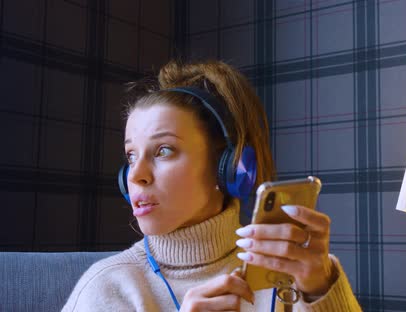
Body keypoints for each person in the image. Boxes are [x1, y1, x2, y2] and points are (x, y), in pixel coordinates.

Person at [62, 60, 361, 311]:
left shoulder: (298, 274)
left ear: (229, 168)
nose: (135, 174)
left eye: (163, 150)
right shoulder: (106, 289)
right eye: (131, 155)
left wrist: (321, 290)